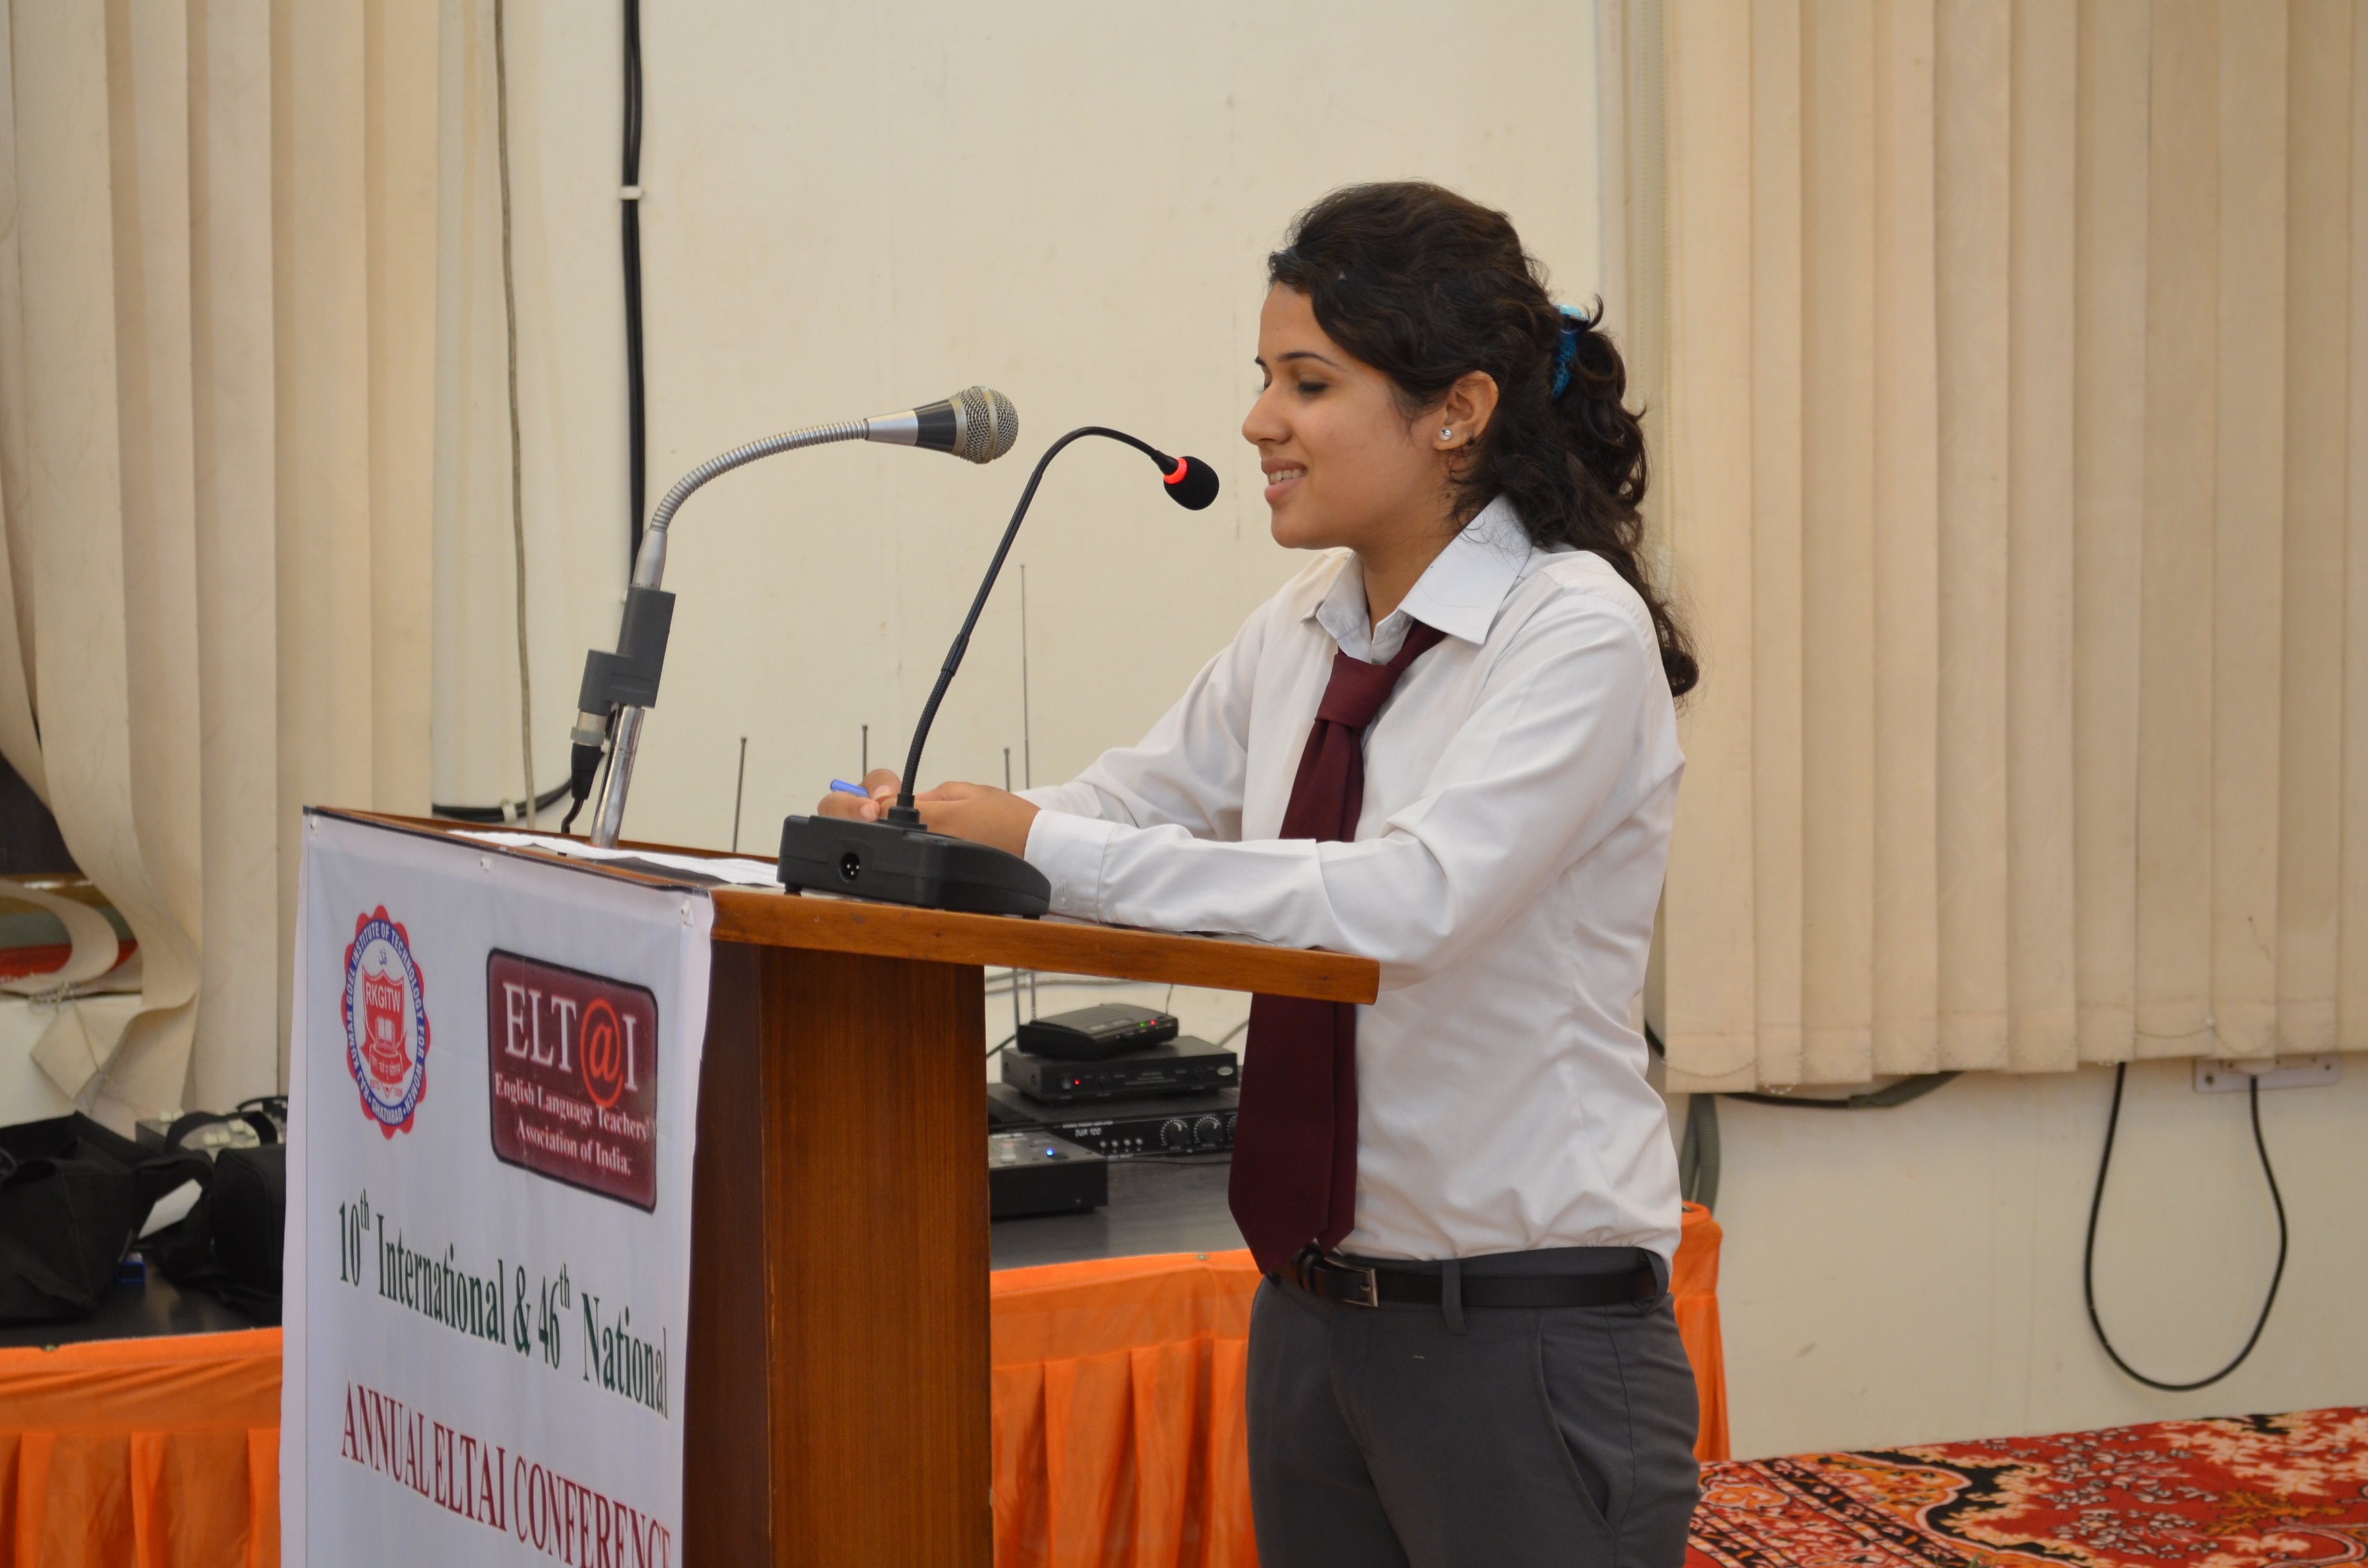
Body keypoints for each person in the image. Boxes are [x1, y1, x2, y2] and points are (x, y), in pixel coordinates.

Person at [819, 181, 1700, 1568]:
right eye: (1263, 377)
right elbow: (1132, 801)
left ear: (1457, 411)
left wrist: (1040, 842)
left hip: (1518, 1327)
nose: (1256, 423)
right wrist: (934, 831)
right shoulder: (1304, 624)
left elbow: (1408, 906)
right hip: (1312, 1316)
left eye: (1309, 382)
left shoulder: (1572, 632)